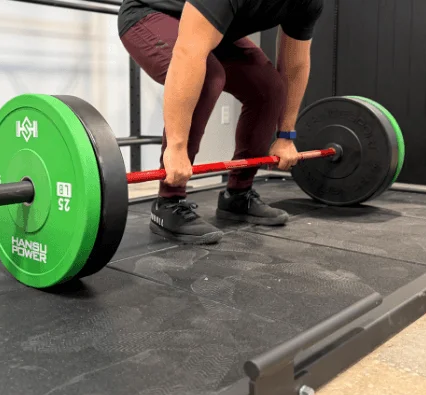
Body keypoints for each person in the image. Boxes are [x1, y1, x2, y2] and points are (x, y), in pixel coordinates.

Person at [118, 0, 323, 244]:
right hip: (149, 14)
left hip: (214, 27)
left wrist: (285, 136)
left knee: (268, 87)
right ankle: (168, 202)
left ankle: (238, 194)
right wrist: (176, 147)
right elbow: (189, 53)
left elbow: (295, 65)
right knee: (208, 77)